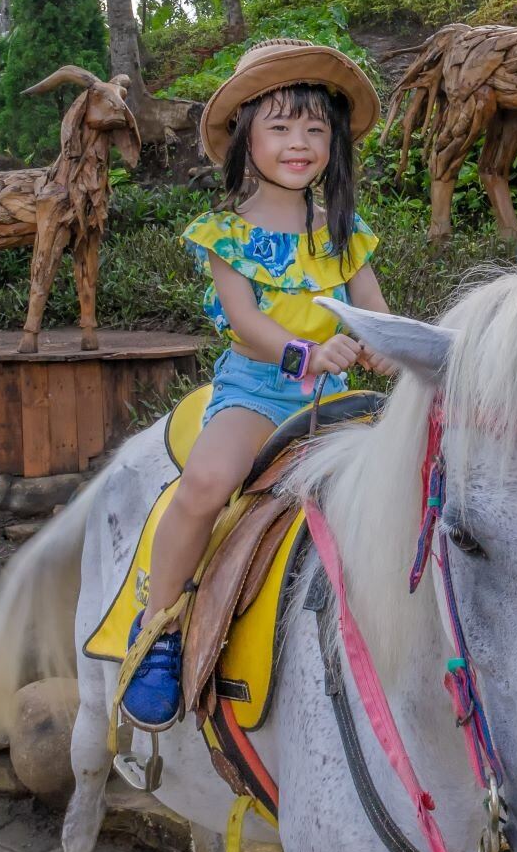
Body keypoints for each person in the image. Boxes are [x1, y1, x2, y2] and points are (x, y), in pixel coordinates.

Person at [120, 39, 389, 730]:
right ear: (246, 136)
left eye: (315, 128)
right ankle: (160, 627)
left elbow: (376, 313)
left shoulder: (344, 232)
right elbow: (243, 323)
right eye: (280, 126)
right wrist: (307, 354)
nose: (299, 142)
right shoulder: (227, 234)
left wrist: (396, 351)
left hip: (337, 401)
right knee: (207, 484)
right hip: (260, 392)